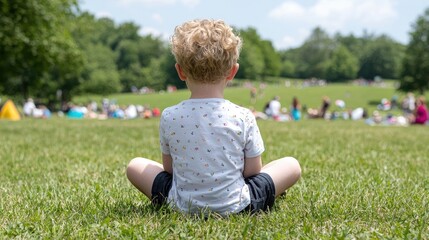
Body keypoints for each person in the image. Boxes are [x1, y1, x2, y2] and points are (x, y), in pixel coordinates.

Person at [126, 19, 301, 217]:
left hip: (181, 203)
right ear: (233, 71)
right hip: (241, 205)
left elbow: (169, 169)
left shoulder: (169, 115)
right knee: (291, 165)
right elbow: (253, 172)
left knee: (135, 166)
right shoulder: (243, 115)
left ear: (180, 71)